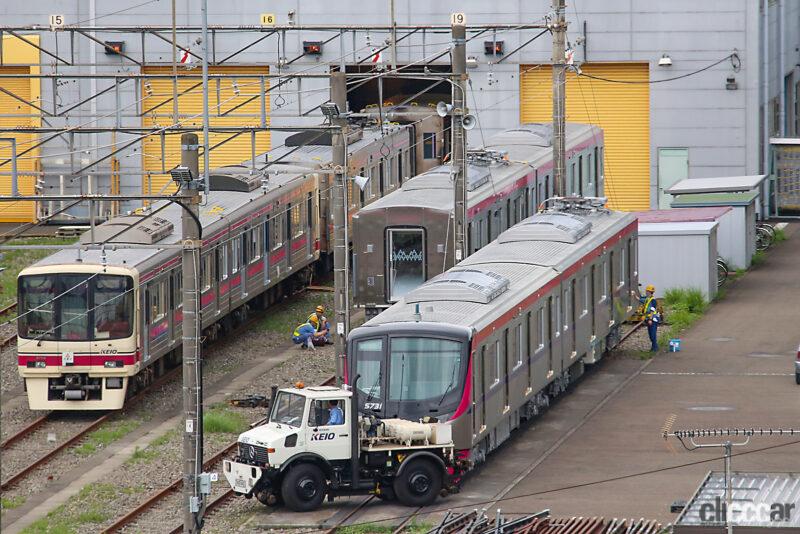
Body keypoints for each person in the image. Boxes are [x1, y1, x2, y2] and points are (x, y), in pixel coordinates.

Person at [642, 284, 661, 352]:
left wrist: (650, 319)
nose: (646, 292)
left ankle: (655, 348)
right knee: (651, 335)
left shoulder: (653, 300)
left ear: (650, 292)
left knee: (652, 334)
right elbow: (641, 300)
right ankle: (654, 348)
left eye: (647, 291)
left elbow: (652, 311)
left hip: (653, 320)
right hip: (649, 320)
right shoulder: (648, 299)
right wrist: (634, 296)